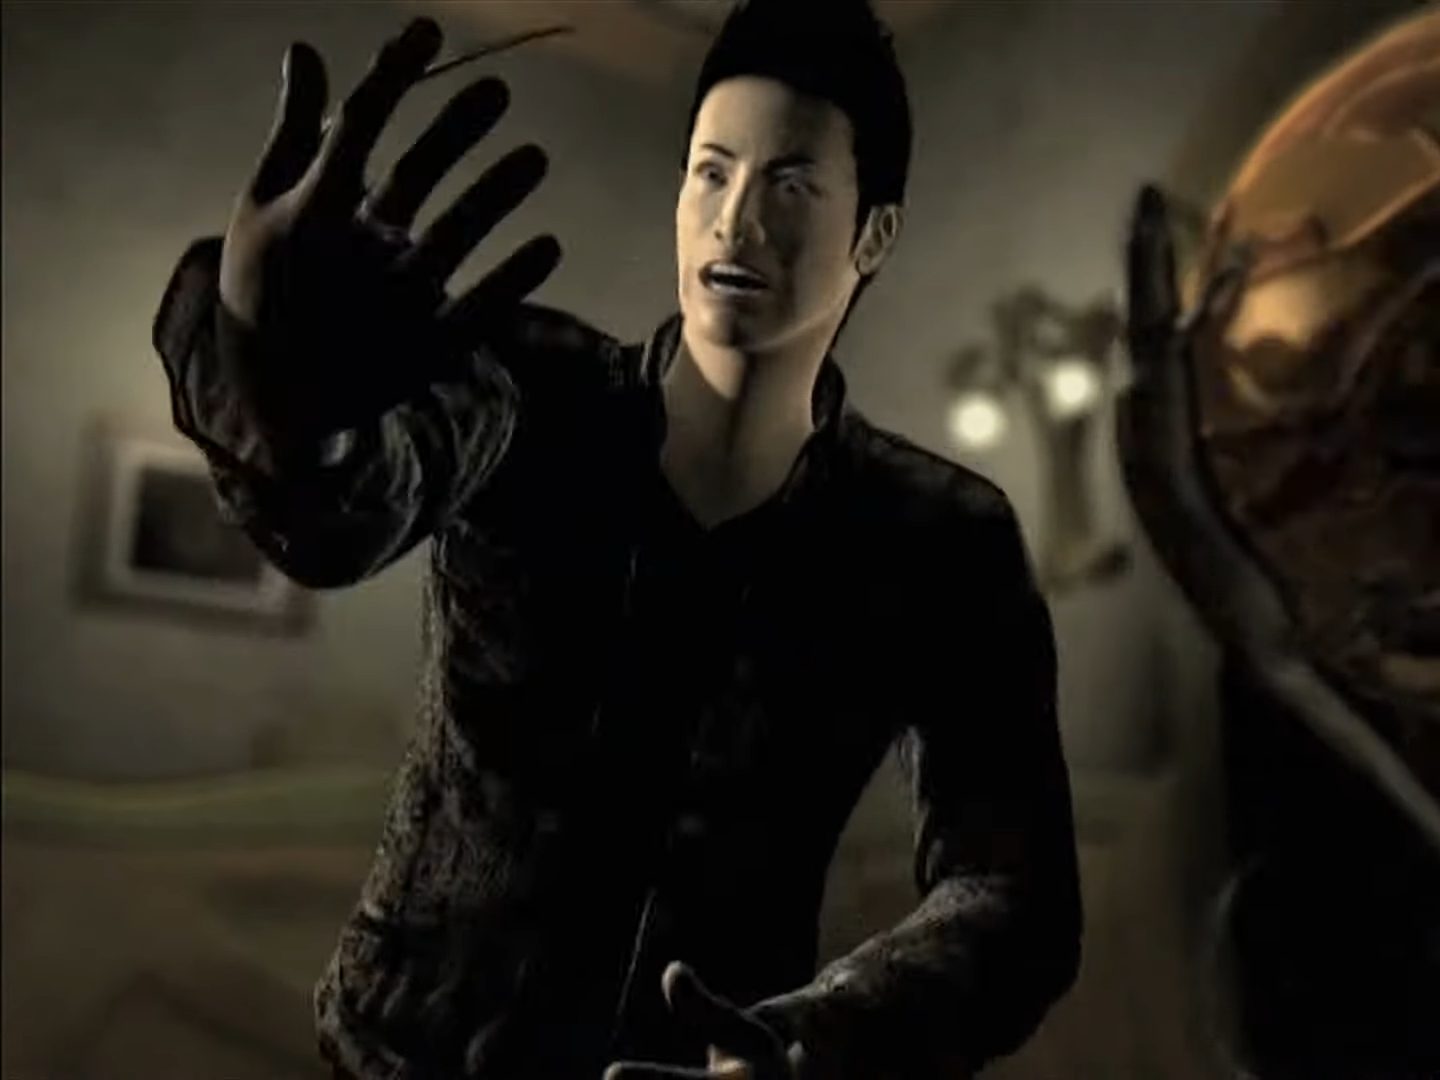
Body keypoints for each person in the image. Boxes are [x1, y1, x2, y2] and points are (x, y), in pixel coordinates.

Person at [150, 2, 1081, 1077]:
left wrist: (814, 1044)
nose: (735, 221)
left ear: (873, 233)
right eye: (711, 173)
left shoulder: (936, 539)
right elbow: (337, 516)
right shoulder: (525, 388)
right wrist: (272, 370)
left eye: (789, 185)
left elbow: (1012, 889)